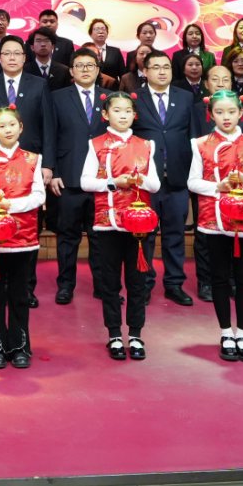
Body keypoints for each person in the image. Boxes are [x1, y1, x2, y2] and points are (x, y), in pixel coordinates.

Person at [189, 90, 243, 362]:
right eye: (219, 112)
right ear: (210, 114)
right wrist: (218, 186)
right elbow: (192, 182)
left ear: (241, 113)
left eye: (231, 112)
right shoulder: (201, 144)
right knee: (219, 278)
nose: (226, 117)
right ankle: (225, 332)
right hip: (215, 220)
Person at [79, 91, 159, 360]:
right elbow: (86, 182)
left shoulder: (146, 145)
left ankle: (135, 335)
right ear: (105, 115)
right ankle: (114, 334)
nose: (123, 115)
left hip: (138, 225)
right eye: (117, 110)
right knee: (109, 283)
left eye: (127, 111)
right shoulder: (96, 144)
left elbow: (155, 184)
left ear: (134, 115)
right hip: (107, 224)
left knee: (137, 283)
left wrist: (137, 180)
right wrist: (114, 182)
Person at [0, 35, 53, 306]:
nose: (11, 57)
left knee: (28, 227)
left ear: (24, 57)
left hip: (29, 166)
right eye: (6, 53)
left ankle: (26, 287)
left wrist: (48, 164)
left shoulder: (39, 84)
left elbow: (48, 125)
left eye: (16, 53)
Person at [0, 106, 46, 368]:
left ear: (21, 127)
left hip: (23, 236)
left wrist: (11, 205)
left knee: (19, 294)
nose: (8, 130)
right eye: (1, 126)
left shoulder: (33, 159)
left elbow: (39, 196)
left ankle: (19, 346)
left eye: (12, 125)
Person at [131, 51, 196, 306]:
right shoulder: (135, 98)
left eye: (166, 67)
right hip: (146, 180)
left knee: (175, 234)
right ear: (145, 71)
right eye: (156, 67)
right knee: (145, 235)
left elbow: (192, 135)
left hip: (177, 177)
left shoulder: (185, 97)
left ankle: (174, 284)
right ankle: (144, 283)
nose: (161, 71)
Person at [44, 49, 109, 306]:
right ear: (71, 71)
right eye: (79, 65)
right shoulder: (57, 97)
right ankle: (65, 286)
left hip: (101, 180)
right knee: (67, 237)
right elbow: (50, 135)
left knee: (100, 237)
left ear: (97, 70)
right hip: (68, 177)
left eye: (90, 65)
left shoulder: (110, 98)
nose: (85, 70)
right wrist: (53, 171)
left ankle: (103, 285)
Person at [86, 17, 125, 89]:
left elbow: (123, 75)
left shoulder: (115, 51)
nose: (101, 31)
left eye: (103, 29)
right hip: (90, 88)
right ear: (90, 34)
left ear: (107, 33)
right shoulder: (86, 50)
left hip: (112, 90)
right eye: (97, 29)